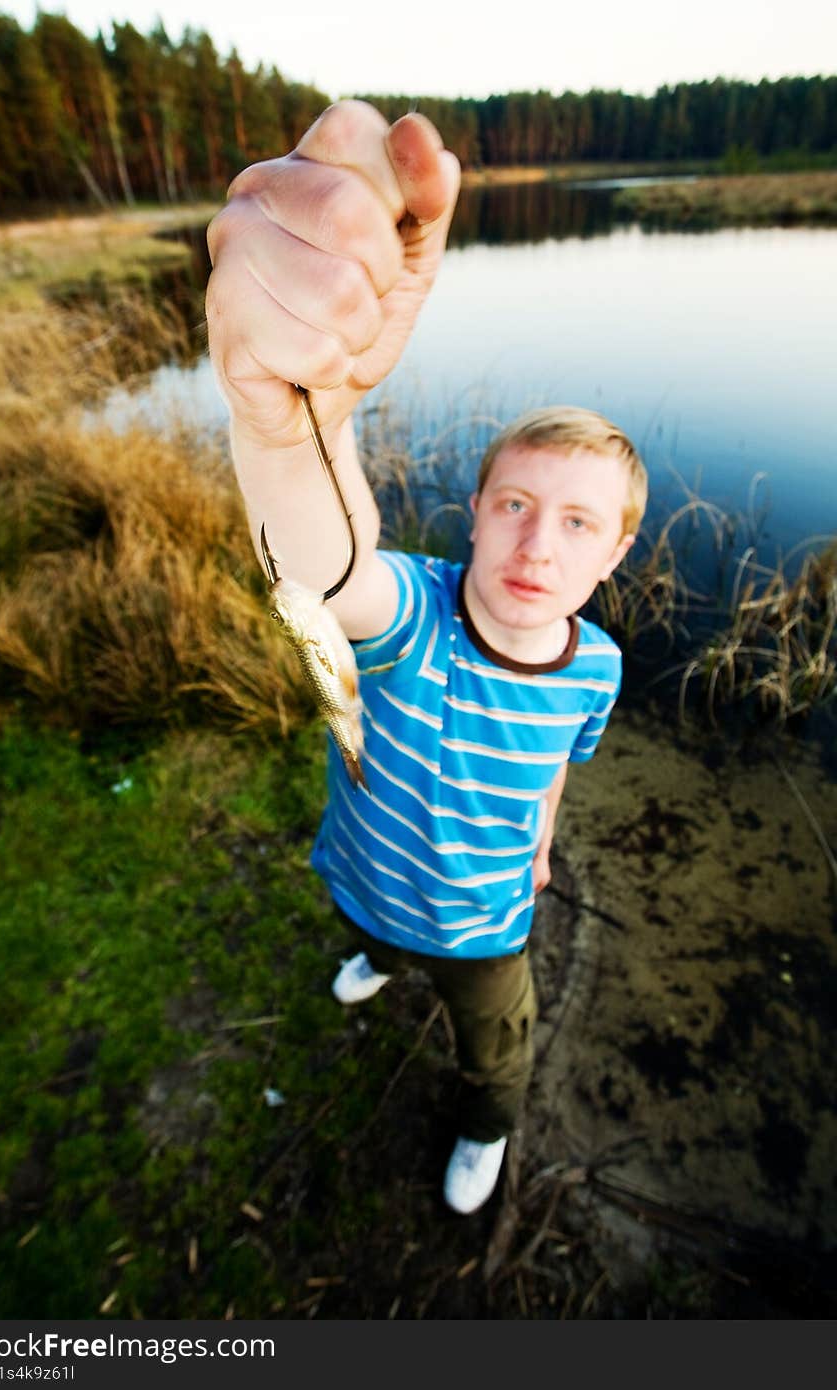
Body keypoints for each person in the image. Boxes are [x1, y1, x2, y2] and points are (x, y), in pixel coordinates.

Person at [205, 100, 647, 1215]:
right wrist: (289, 426)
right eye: (514, 503)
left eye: (579, 523)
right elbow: (329, 575)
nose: (537, 544)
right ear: (475, 511)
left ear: (619, 549)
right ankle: (375, 955)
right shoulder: (416, 615)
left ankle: (484, 1130)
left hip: (487, 921)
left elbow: (556, 761)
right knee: (368, 932)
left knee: (494, 1043)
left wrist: (541, 841)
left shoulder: (595, 670)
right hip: (370, 876)